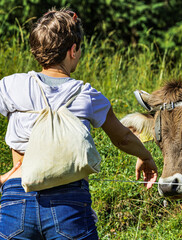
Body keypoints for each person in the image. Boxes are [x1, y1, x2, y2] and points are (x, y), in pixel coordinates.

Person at [0, 8, 157, 240]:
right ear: (73, 50)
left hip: (16, 196)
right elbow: (122, 137)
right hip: (69, 203)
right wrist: (146, 157)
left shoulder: (10, 86)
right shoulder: (87, 95)